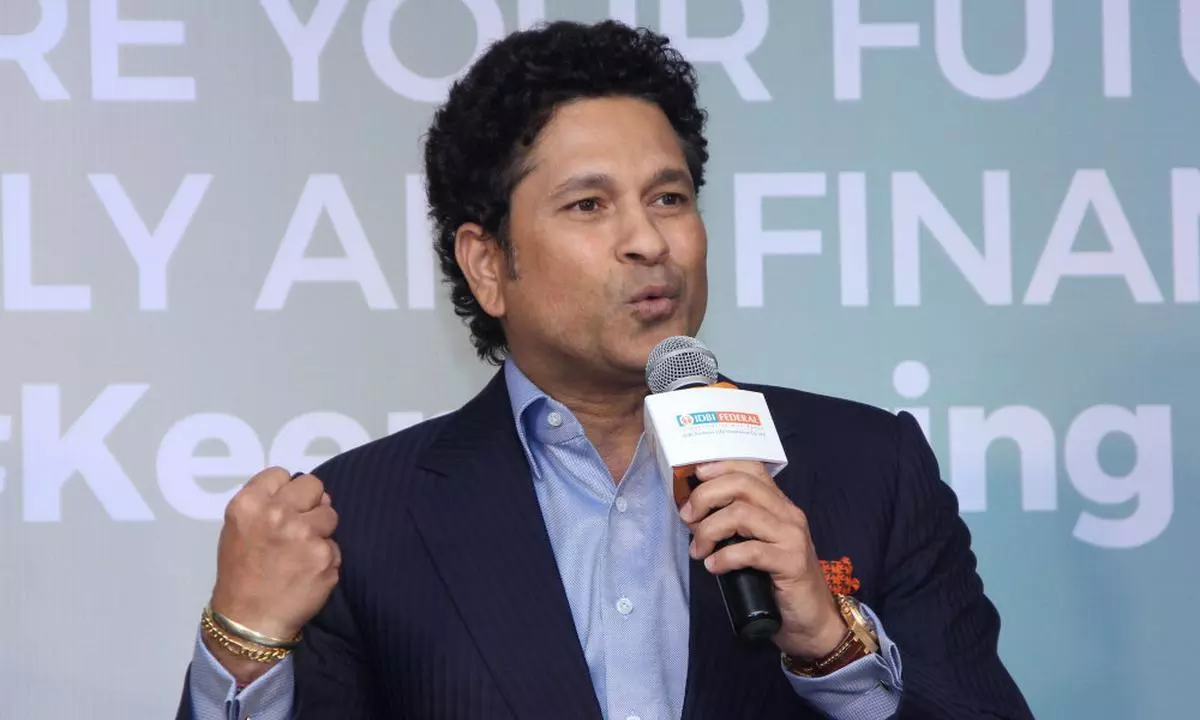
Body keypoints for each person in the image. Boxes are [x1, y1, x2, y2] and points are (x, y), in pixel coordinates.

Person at [175, 19, 1033, 720]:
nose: (649, 240)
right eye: (589, 204)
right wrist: (242, 646)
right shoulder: (362, 519)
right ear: (487, 263)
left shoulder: (869, 469)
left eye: (670, 198)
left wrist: (831, 646)